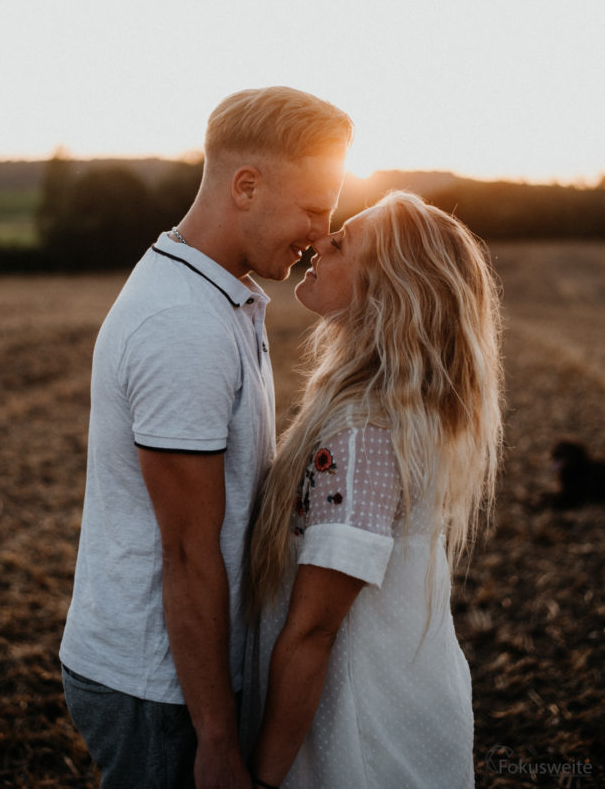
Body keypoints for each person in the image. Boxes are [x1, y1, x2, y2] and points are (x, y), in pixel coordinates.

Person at [59, 86, 353, 789]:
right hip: (158, 686)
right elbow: (189, 550)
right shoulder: (181, 325)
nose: (319, 233)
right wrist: (216, 738)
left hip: (176, 678)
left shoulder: (219, 294)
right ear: (246, 186)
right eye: (313, 210)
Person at [242, 191, 504, 789]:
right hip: (386, 706)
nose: (319, 242)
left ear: (385, 290)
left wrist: (261, 779)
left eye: (340, 244)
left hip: (358, 738)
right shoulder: (392, 415)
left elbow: (314, 632)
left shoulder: (365, 437)